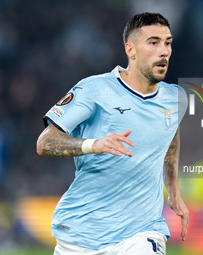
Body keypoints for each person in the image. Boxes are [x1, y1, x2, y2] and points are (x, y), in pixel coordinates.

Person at [36, 12, 189, 255]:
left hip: (142, 232)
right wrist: (93, 144)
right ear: (131, 50)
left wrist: (174, 190)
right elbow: (45, 142)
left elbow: (170, 137)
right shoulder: (94, 89)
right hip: (81, 234)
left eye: (167, 43)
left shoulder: (176, 98)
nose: (164, 51)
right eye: (153, 43)